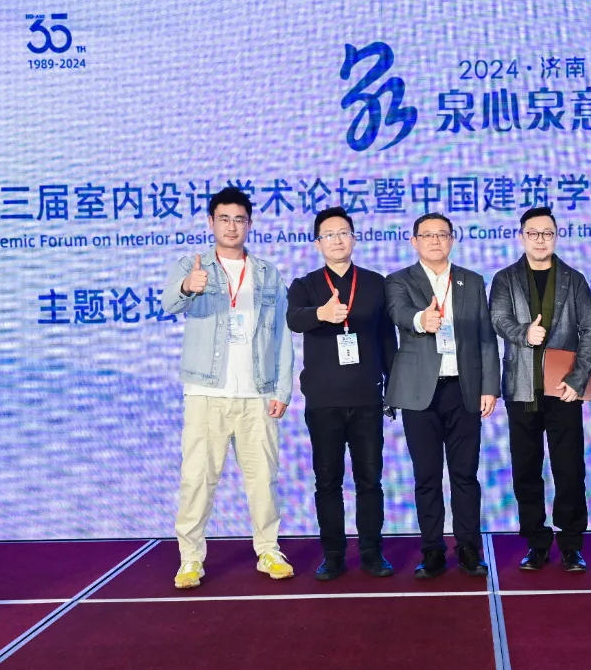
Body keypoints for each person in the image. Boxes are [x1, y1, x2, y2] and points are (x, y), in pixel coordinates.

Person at [163, 187, 294, 589]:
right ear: (211, 222)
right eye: (224, 219)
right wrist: (188, 286)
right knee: (197, 479)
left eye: (239, 219)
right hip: (207, 392)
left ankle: (268, 550)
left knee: (263, 479)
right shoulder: (193, 265)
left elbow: (282, 334)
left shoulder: (268, 273)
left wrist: (282, 389)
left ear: (249, 224)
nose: (232, 226)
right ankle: (190, 558)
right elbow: (169, 303)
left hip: (258, 392)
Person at [385, 213, 500, 578]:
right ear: (414, 241)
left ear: (452, 240)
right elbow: (399, 313)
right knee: (427, 475)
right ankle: (432, 549)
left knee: (465, 474)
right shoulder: (399, 280)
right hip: (420, 391)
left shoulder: (471, 280)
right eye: (427, 235)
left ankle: (468, 547)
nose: (435, 241)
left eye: (442, 234)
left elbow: (485, 336)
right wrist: (422, 320)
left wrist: (489, 386)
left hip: (464, 389)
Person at [286, 207, 397, 581]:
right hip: (324, 400)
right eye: (328, 235)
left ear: (354, 238)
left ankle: (371, 552)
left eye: (343, 232)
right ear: (318, 244)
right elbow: (293, 319)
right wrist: (321, 313)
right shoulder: (305, 285)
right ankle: (332, 554)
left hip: (367, 396)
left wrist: (393, 385)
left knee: (370, 480)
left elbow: (387, 339)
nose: (337, 240)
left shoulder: (376, 283)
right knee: (327, 481)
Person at [489, 207, 591, 572]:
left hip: (563, 387)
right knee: (526, 468)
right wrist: (525, 333)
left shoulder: (573, 279)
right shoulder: (505, 278)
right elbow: (498, 318)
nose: (540, 240)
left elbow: (590, 330)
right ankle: (536, 542)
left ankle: (571, 544)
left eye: (547, 233)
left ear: (556, 236)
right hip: (521, 388)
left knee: (569, 469)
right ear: (521, 236)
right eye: (533, 233)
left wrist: (578, 379)